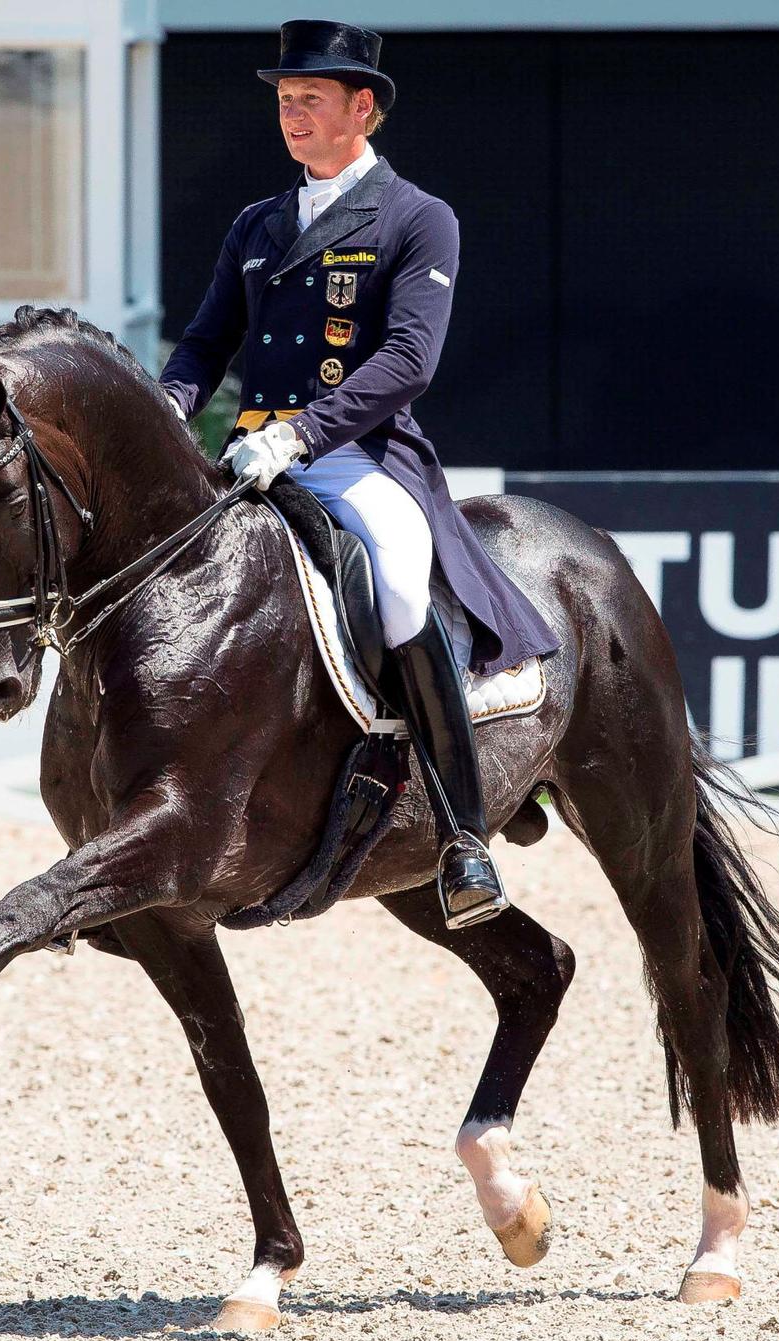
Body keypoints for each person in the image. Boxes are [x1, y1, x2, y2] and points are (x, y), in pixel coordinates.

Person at [160, 20, 560, 929]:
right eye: (283, 100)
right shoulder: (257, 225)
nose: (291, 115)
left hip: (358, 454)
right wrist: (167, 410)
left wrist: (300, 435)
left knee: (402, 595)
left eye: (309, 100)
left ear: (362, 107)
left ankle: (463, 839)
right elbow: (205, 342)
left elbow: (409, 360)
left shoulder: (418, 218)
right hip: (250, 455)